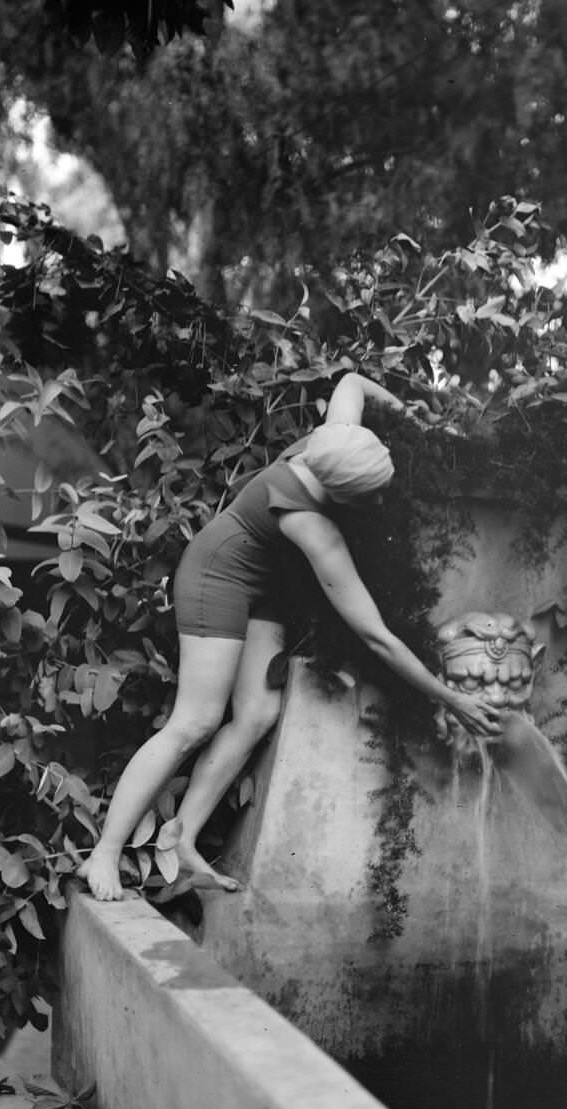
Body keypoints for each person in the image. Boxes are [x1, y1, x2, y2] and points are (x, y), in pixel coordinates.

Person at [77, 372, 502, 902]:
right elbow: (376, 637)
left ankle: (181, 841)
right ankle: (105, 852)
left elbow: (352, 380)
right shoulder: (313, 527)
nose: (380, 505)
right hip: (219, 577)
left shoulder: (336, 437)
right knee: (197, 720)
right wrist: (450, 697)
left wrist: (416, 422)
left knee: (257, 713)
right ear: (345, 501)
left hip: (266, 586)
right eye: (373, 499)